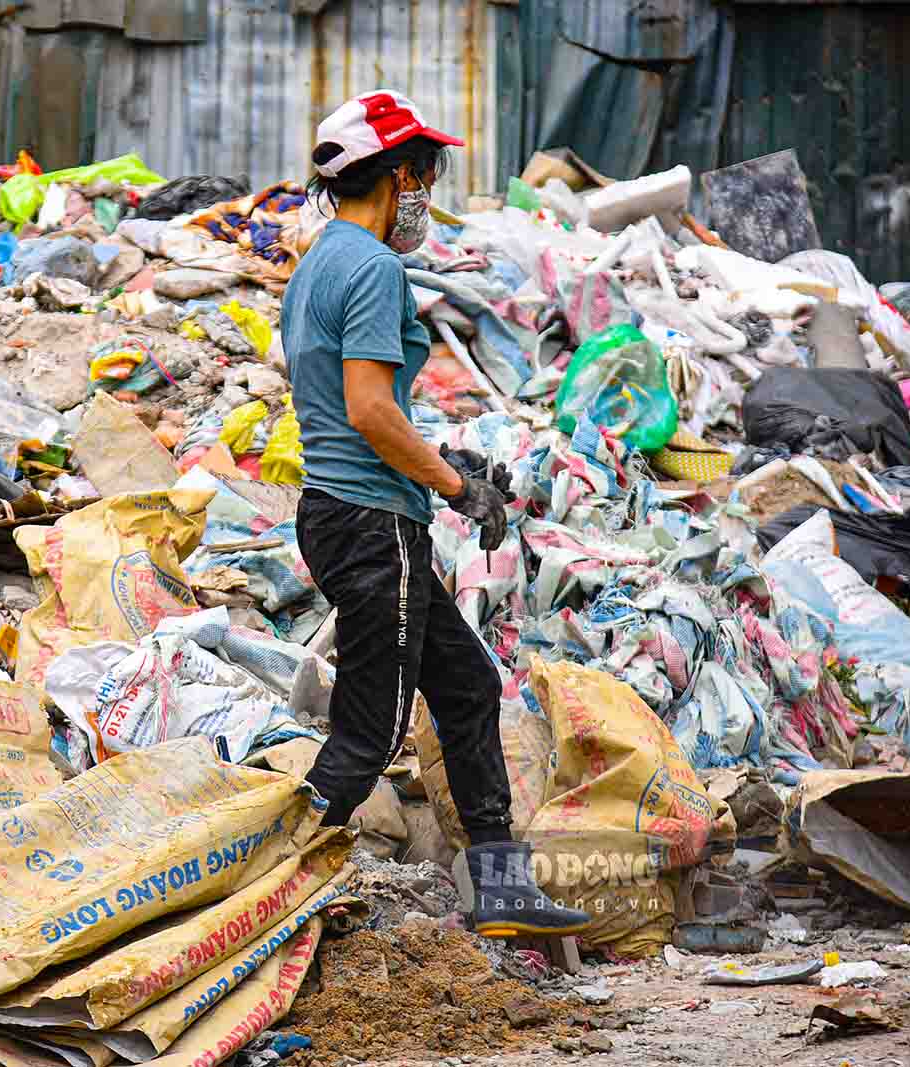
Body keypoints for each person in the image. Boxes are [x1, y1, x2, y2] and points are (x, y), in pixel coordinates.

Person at [283, 90, 589, 937]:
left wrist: (442, 464)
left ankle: (500, 889)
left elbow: (347, 405)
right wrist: (459, 491)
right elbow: (370, 410)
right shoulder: (374, 267)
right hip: (374, 522)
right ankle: (261, 885)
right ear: (399, 175)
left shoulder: (317, 261)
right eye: (424, 172)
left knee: (467, 682)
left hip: (340, 508)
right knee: (369, 735)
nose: (427, 190)